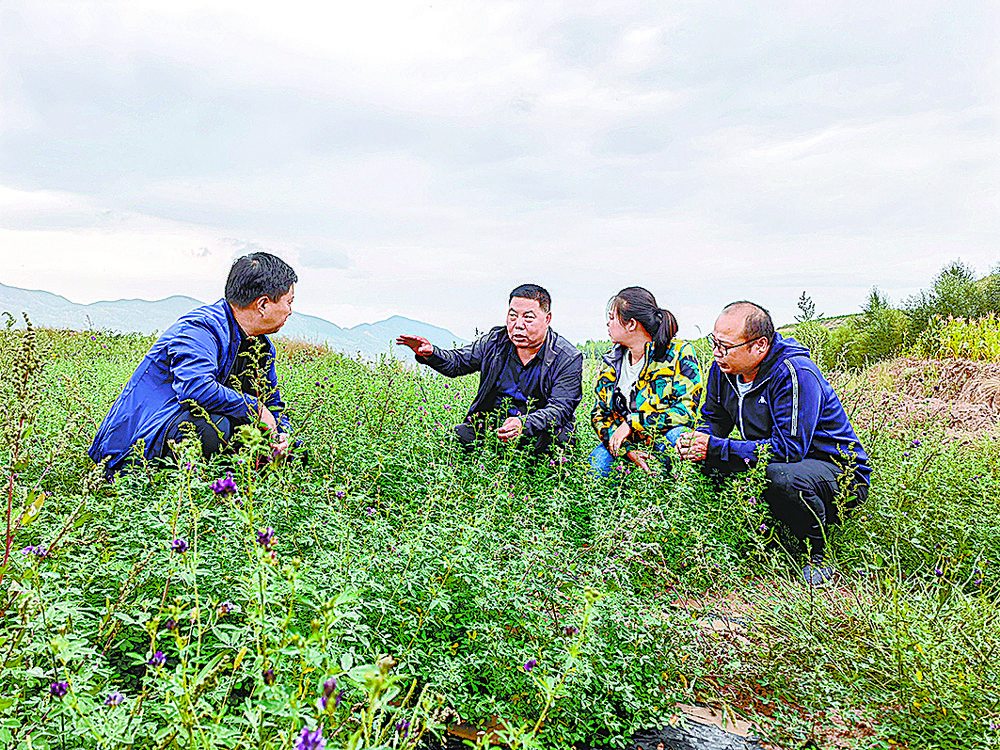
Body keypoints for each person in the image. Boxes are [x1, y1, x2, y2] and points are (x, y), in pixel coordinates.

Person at [676, 301, 870, 586]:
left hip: (838, 474)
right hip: (783, 460)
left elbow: (788, 450)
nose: (716, 353)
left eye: (725, 346)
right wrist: (700, 442)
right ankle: (726, 541)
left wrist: (716, 448)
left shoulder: (794, 372)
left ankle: (819, 555)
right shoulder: (724, 369)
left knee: (781, 477)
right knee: (706, 463)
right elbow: (714, 418)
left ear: (759, 346)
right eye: (714, 342)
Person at [89, 252, 297, 476]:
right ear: (263, 304)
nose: (290, 311)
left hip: (172, 427)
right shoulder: (200, 328)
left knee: (293, 450)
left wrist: (282, 435)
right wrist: (255, 409)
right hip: (141, 439)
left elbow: (273, 405)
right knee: (212, 428)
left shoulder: (260, 347)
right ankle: (160, 485)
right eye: (288, 302)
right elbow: (195, 389)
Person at [396, 284, 583, 456]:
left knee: (560, 441)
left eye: (528, 317)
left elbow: (560, 408)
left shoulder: (567, 357)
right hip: (494, 426)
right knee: (456, 438)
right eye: (512, 315)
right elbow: (458, 362)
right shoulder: (495, 341)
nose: (518, 324)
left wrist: (523, 424)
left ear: (547, 319)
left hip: (538, 430)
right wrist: (431, 353)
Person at [589, 287, 703, 478]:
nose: (607, 324)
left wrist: (633, 423)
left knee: (681, 439)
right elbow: (600, 415)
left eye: (612, 318)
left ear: (631, 324)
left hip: (662, 438)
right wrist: (626, 449)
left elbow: (685, 412)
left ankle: (680, 493)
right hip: (627, 443)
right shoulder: (611, 362)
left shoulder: (679, 353)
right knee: (596, 467)